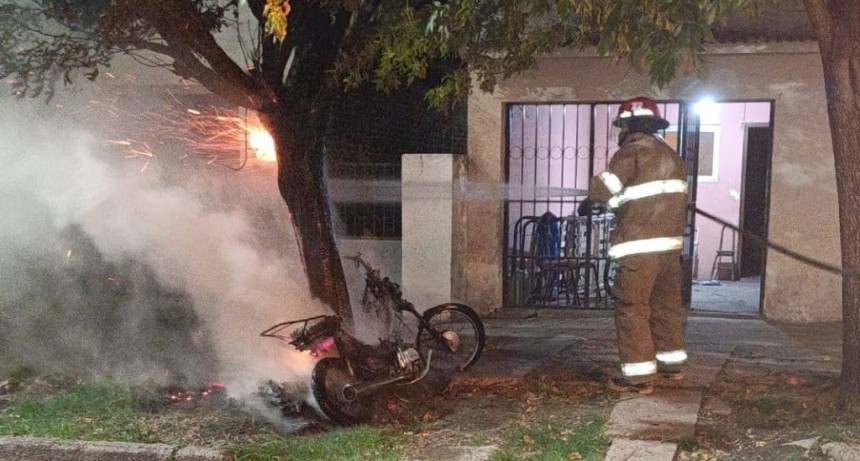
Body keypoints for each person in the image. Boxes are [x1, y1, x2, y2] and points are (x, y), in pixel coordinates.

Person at [587, 96, 689, 394]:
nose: (620, 133)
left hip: (639, 249)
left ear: (630, 125)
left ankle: (639, 377)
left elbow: (606, 188)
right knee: (666, 307)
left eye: (621, 126)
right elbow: (644, 198)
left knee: (632, 307)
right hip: (669, 251)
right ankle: (671, 367)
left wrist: (592, 197)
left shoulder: (632, 153)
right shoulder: (673, 157)